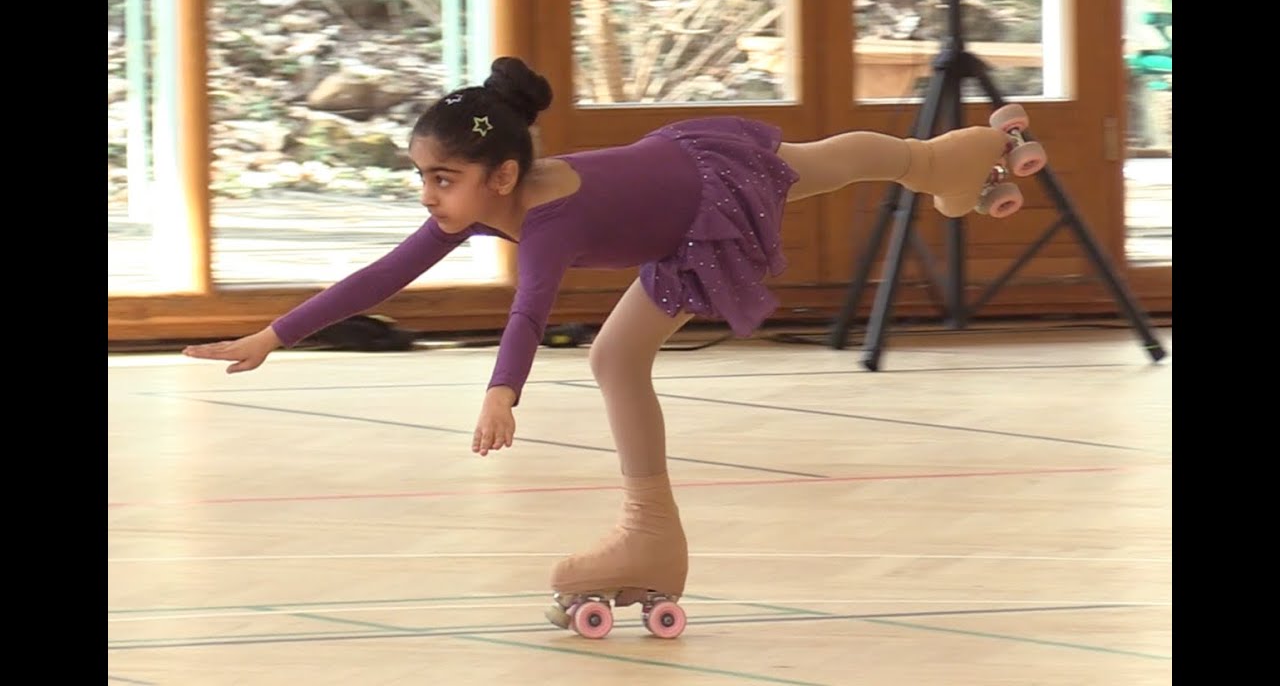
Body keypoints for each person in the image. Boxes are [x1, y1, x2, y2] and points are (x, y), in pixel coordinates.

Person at [183, 56, 1033, 638]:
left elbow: (530, 308)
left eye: (441, 178)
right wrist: (273, 335)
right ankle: (947, 161)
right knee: (807, 176)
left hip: (704, 203)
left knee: (633, 342)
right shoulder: (483, 202)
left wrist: (501, 392)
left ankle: (950, 159)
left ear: (502, 177)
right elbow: (383, 276)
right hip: (682, 172)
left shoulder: (547, 220)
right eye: (422, 176)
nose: (428, 195)